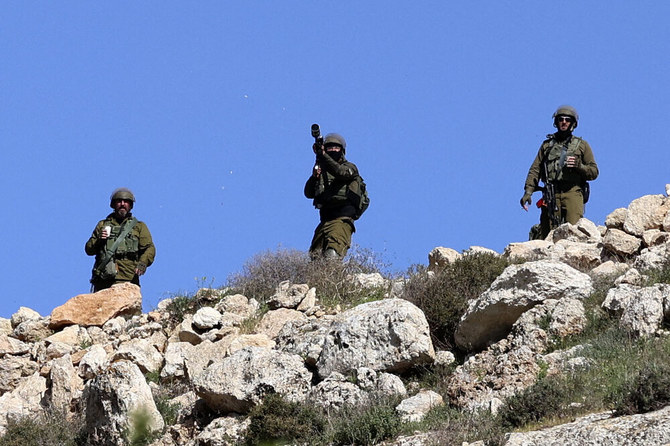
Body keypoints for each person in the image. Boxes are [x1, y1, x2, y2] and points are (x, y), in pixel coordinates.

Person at [520, 105, 599, 239]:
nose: (564, 122)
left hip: (572, 192)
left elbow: (594, 171)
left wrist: (579, 166)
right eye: (560, 119)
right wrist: (528, 191)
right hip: (551, 193)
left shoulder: (582, 145)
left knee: (574, 232)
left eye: (567, 120)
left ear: (573, 123)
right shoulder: (547, 146)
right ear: (556, 122)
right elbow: (535, 170)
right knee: (548, 234)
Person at [85, 187, 156, 291]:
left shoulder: (139, 226)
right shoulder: (102, 225)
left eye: (126, 202)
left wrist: (142, 263)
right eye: (119, 201)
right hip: (104, 280)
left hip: (128, 278)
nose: (122, 204)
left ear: (131, 205)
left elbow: (149, 248)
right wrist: (99, 239)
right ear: (113, 204)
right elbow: (89, 249)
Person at [304, 132, 362, 259]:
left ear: (342, 150)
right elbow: (308, 193)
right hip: (325, 220)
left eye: (336, 148)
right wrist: (315, 176)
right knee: (316, 259)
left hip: (342, 219)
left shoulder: (350, 167)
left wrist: (324, 155)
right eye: (329, 148)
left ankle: (335, 279)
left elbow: (341, 173)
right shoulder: (322, 171)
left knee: (332, 255)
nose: (333, 150)